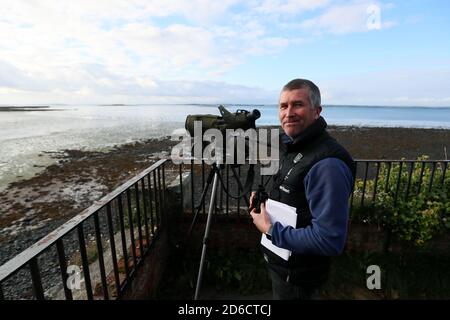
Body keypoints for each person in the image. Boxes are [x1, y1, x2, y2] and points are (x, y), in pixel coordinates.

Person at [250, 78, 356, 300]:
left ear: (316, 111)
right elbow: (299, 201)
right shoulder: (296, 144)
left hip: (299, 280)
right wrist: (267, 204)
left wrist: (270, 230)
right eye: (283, 106)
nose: (289, 112)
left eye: (297, 104)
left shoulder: (328, 164)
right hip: (284, 269)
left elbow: (329, 239)